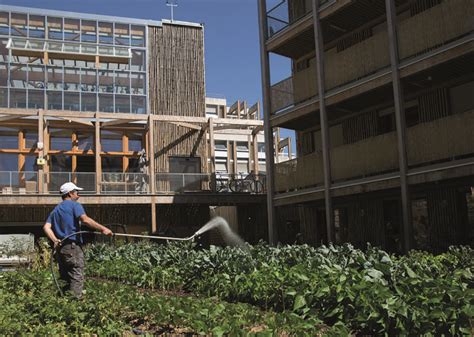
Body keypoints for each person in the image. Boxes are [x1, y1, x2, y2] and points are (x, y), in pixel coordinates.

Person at [43, 182, 113, 298]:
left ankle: (64, 304)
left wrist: (55, 240)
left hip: (61, 249)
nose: (78, 195)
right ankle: (75, 307)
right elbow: (85, 220)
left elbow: (46, 227)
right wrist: (103, 229)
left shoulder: (56, 210)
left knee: (65, 278)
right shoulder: (75, 205)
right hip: (72, 247)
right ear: (70, 194)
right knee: (76, 276)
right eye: (77, 192)